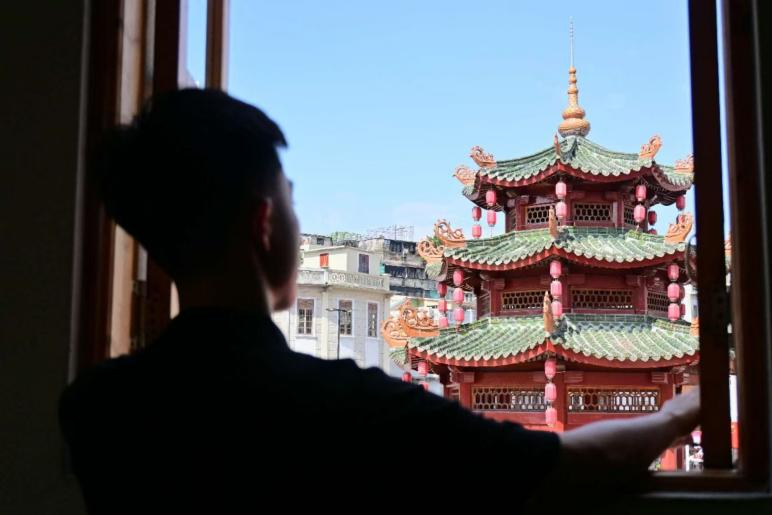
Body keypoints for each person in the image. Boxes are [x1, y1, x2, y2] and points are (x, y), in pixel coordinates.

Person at [60, 89, 700, 514]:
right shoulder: (347, 406)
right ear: (264, 224)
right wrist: (680, 413)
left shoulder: (97, 408)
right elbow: (570, 467)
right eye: (290, 199)